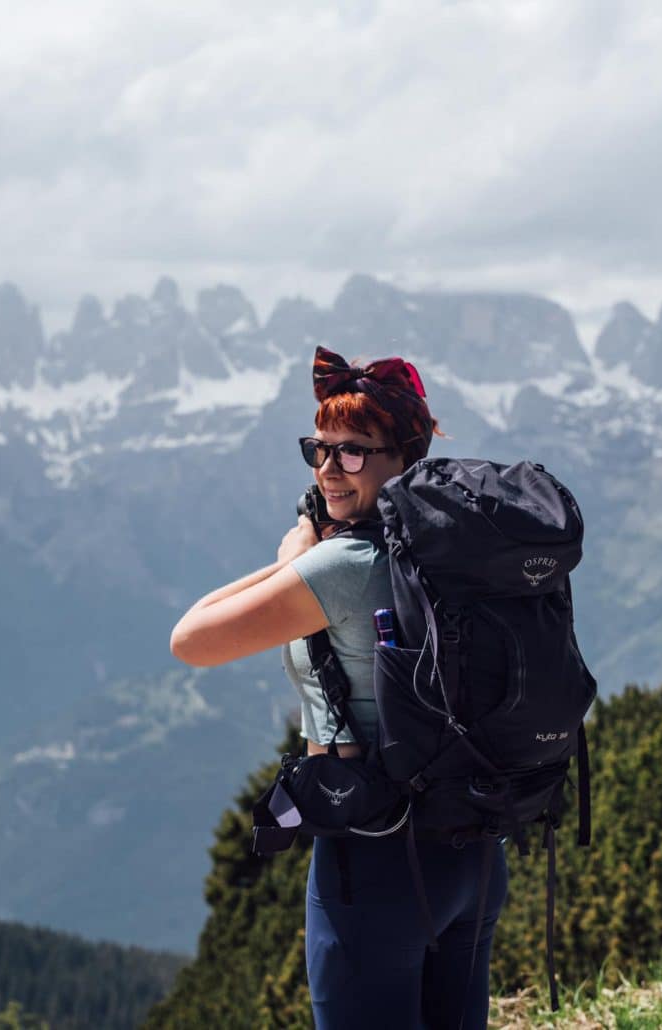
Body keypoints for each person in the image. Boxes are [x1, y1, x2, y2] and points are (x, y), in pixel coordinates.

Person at [170, 346, 508, 1030]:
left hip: (373, 862)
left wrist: (290, 562)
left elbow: (192, 640)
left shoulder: (344, 564)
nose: (328, 470)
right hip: (471, 854)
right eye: (319, 450)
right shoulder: (455, 550)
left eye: (354, 452)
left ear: (401, 459)